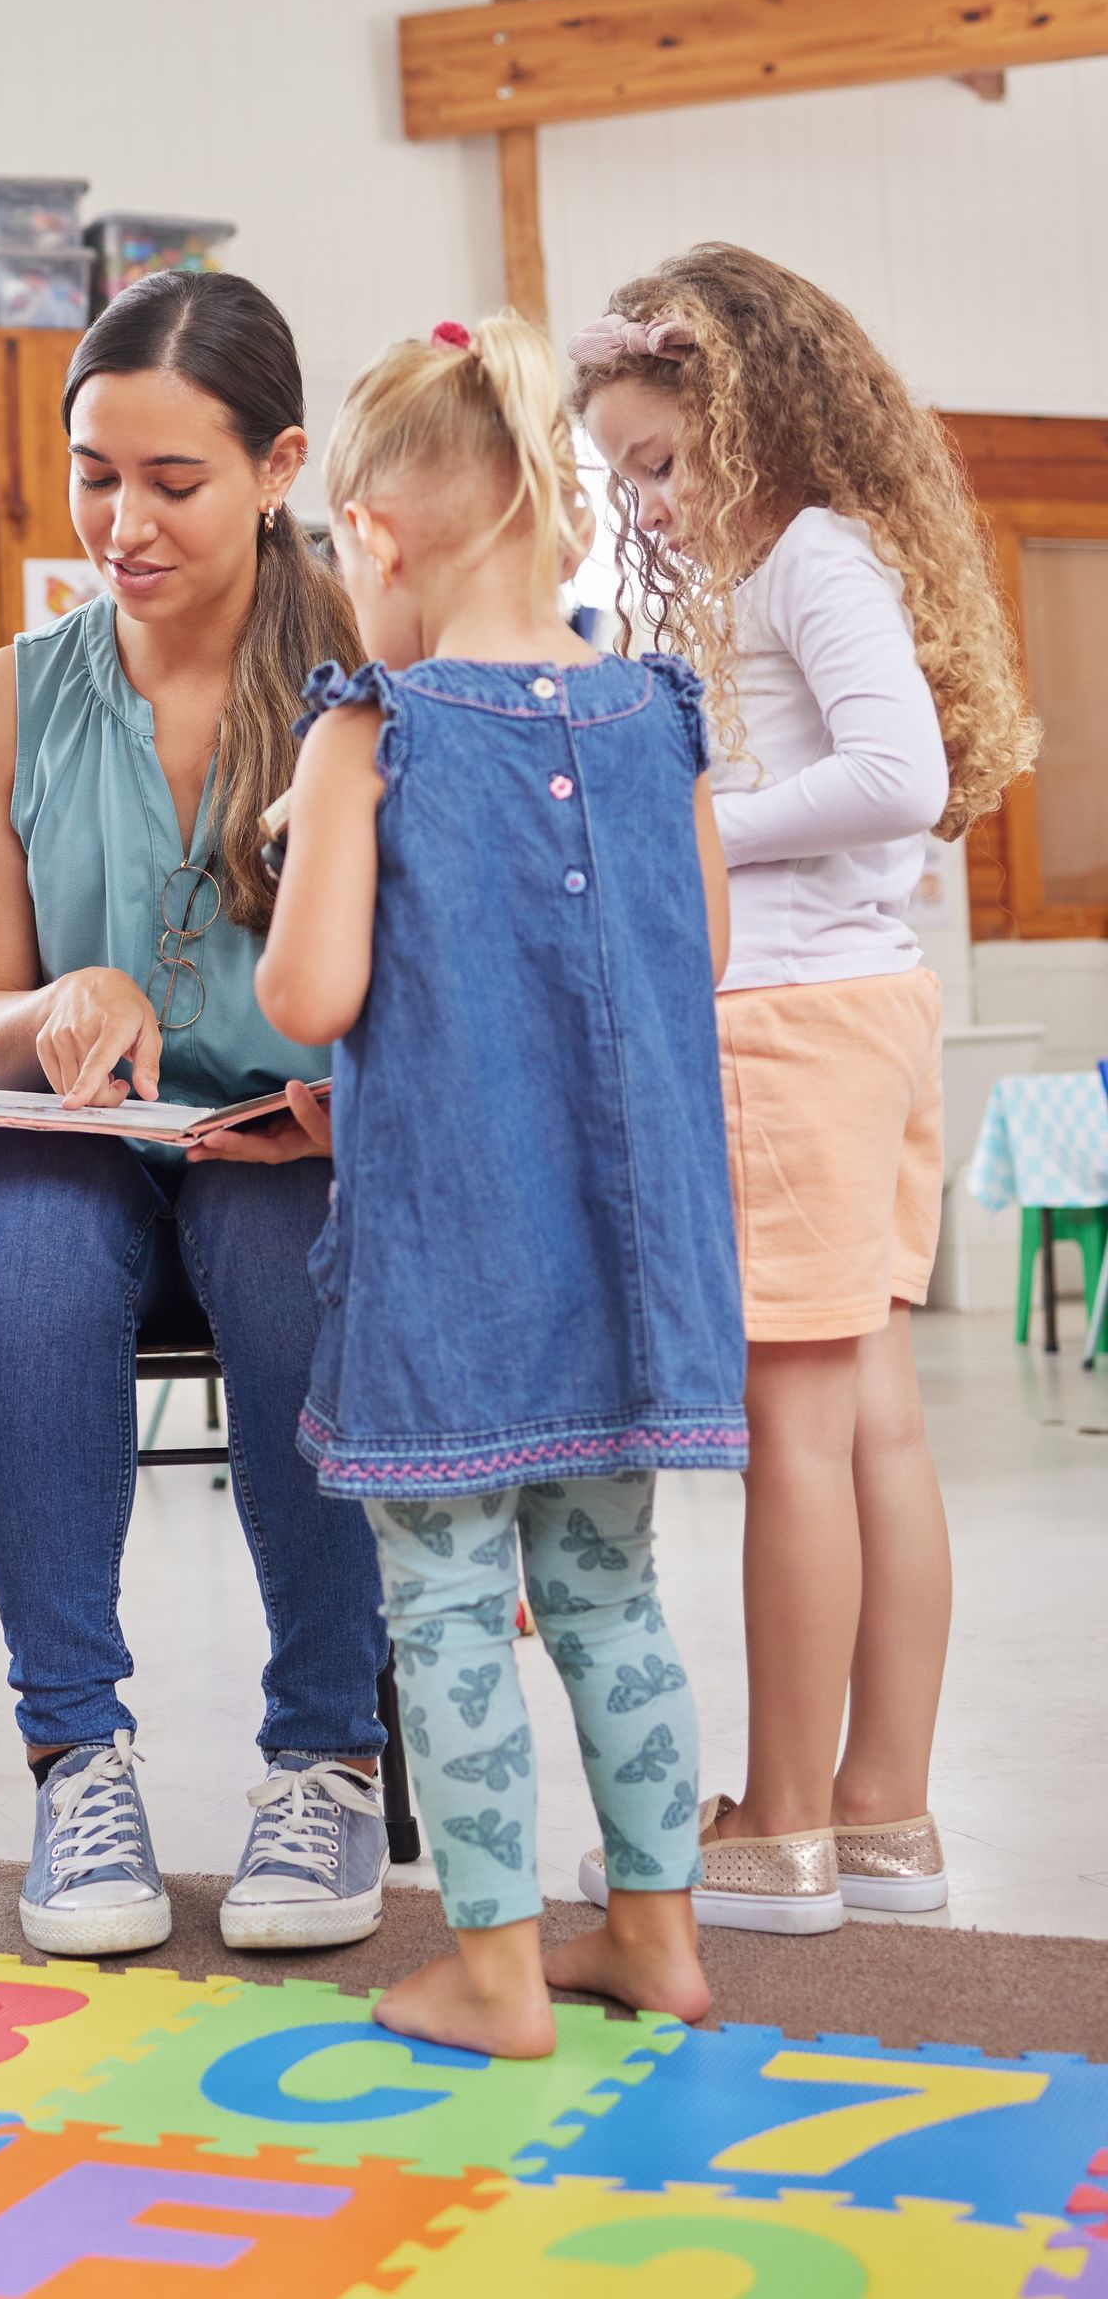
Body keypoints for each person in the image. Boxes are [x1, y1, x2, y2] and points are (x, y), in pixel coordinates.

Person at [259, 313, 746, 2055]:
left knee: (450, 1603)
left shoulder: (365, 730)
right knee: (616, 1595)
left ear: (374, 538)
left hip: (450, 1262)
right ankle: (659, 1939)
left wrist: (312, 845)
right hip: (634, 1258)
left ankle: (491, 1970)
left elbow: (307, 1000)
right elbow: (701, 953)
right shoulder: (658, 714)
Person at [571, 243, 1038, 1932]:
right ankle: (883, 1813)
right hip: (860, 1017)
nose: (655, 499)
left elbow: (898, 779)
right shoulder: (805, 559)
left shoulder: (804, 560)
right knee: (875, 1428)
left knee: (797, 1435)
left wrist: (684, 824)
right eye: (627, 472)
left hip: (789, 1030)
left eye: (667, 460)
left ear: (753, 412)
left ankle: (776, 1829)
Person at [0, 270, 392, 1958]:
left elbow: (435, 996)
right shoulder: (9, 698)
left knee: (289, 1246)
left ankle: (326, 1754)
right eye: (92, 471)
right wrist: (51, 1003)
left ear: (278, 467)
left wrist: (337, 1105)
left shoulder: (371, 680)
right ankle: (76, 1757)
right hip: (80, 1165)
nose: (120, 522)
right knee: (33, 1238)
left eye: (171, 482)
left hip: (299, 1167)